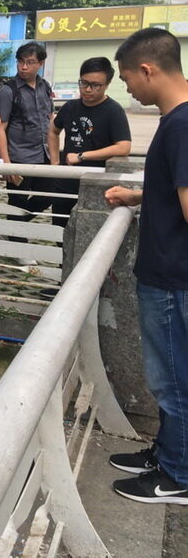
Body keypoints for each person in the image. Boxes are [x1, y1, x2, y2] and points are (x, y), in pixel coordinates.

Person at [104, 27, 188, 505]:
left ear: (148, 69)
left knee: (174, 379)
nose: (127, 88)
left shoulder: (180, 124)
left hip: (174, 277)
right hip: (169, 274)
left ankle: (177, 476)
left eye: (127, 78)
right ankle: (167, 454)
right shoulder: (177, 120)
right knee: (172, 377)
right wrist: (139, 196)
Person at [47, 57, 131, 228]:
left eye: (95, 85)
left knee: (89, 232)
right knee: (60, 228)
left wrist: (82, 156)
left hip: (97, 183)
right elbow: (53, 130)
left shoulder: (113, 111)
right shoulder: (70, 107)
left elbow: (123, 147)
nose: (87, 89)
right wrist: (55, 162)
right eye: (83, 83)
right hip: (66, 181)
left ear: (107, 84)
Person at [0, 42, 54, 261]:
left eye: (30, 62)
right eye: (20, 61)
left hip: (43, 155)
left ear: (41, 63)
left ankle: (12, 228)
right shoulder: (8, 91)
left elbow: (50, 121)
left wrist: (54, 157)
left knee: (47, 194)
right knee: (18, 202)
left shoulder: (45, 87)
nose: (24, 67)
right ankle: (20, 249)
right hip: (18, 156)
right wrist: (6, 163)